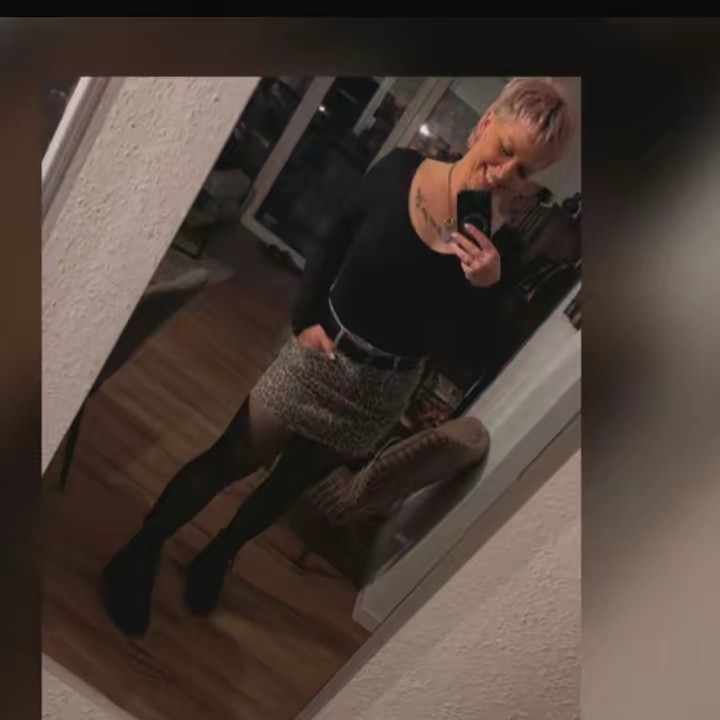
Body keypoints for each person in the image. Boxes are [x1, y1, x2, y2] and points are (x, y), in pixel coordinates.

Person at [102, 76, 576, 637]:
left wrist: (487, 288)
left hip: (383, 391)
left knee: (284, 489)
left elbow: (469, 351)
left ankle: (219, 554)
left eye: (525, 171)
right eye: (506, 149)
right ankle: (142, 548)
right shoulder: (401, 172)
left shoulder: (502, 252)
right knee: (231, 458)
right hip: (321, 357)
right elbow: (333, 238)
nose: (504, 174)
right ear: (485, 124)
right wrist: (305, 318)